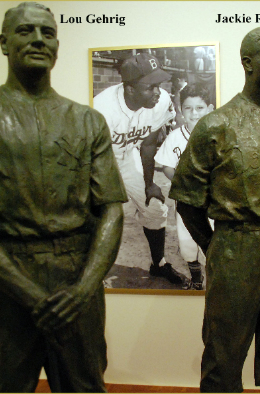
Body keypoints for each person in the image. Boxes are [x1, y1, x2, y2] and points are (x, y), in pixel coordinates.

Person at [0, 3, 127, 392]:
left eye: (48, 33)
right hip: (5, 287)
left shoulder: (88, 122)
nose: (38, 39)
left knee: (85, 386)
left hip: (77, 282)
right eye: (25, 31)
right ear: (4, 43)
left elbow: (111, 212)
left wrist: (84, 289)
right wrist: (33, 297)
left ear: (57, 45)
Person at [170, 27, 260, 392]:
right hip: (235, 247)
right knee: (224, 354)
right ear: (247, 63)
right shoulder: (216, 125)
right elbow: (187, 200)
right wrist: (216, 245)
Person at [93, 53, 182, 285]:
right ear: (130, 89)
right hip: (98, 161)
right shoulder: (102, 108)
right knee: (100, 216)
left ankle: (159, 264)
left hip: (129, 155)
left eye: (159, 84)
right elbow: (90, 154)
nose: (158, 91)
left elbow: (149, 144)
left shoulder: (159, 101)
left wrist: (149, 184)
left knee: (154, 207)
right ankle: (92, 271)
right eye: (150, 86)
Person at [154, 84, 214, 290]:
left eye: (200, 108)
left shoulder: (217, 135)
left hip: (213, 201)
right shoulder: (175, 137)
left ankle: (215, 280)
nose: (194, 113)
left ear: (210, 109)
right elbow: (166, 167)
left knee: (214, 242)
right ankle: (197, 279)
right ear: (180, 110)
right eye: (188, 108)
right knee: (187, 241)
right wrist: (181, 180)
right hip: (187, 200)